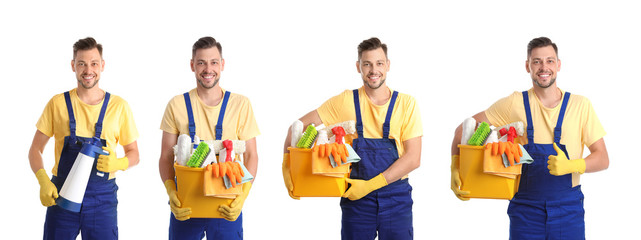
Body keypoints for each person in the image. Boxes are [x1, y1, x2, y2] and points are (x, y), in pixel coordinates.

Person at [450, 37, 609, 239]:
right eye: (537, 61)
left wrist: (572, 165)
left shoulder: (580, 105)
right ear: (528, 66)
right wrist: (456, 167)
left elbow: (602, 158)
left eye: (550, 61)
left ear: (558, 65)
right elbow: (462, 130)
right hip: (525, 211)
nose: (544, 67)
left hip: (568, 211)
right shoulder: (513, 103)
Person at [282, 37, 422, 240]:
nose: (374, 70)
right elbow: (296, 128)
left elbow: (413, 158)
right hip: (356, 200)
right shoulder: (345, 101)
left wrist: (370, 185)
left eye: (379, 63)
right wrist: (288, 167)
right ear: (359, 67)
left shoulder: (407, 104)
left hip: (396, 200)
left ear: (388, 65)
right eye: (367, 64)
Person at [28, 37, 140, 240]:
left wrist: (120, 162)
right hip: (61, 197)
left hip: (102, 201)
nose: (88, 70)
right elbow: (35, 150)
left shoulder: (119, 107)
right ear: (73, 66)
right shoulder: (57, 103)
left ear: (102, 66)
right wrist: (43, 180)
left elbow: (134, 154)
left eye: (94, 63)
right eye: (82, 64)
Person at [159, 36, 259, 240]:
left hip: (226, 203)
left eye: (214, 62)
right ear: (192, 65)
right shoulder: (176, 105)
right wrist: (171, 190)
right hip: (187, 204)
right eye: (201, 62)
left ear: (222, 64)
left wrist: (244, 195)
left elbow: (251, 155)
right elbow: (165, 156)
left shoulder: (241, 104)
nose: (208, 69)